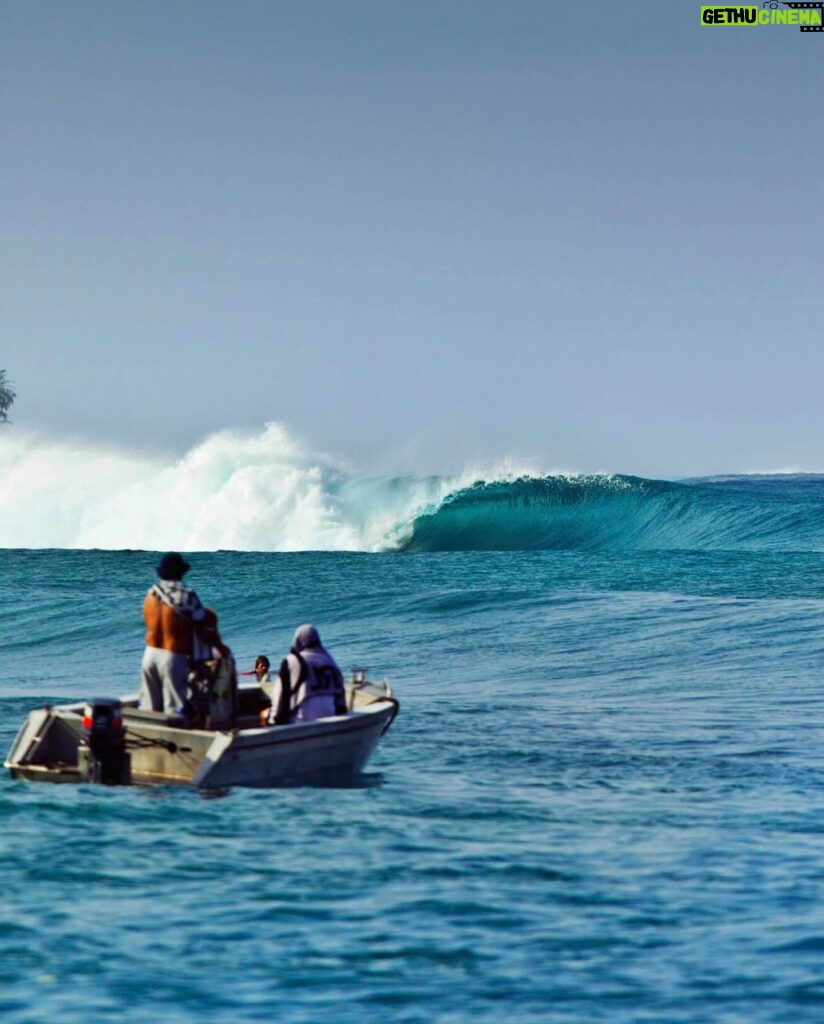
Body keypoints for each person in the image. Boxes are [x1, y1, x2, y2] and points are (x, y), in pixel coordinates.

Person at [140, 552, 228, 714]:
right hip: (172, 657)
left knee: (151, 710)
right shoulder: (185, 595)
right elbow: (203, 625)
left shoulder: (151, 594)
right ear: (180, 572)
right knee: (174, 711)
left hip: (149, 655)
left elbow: (147, 621)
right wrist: (220, 647)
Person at [264, 624, 347, 726]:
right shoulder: (330, 660)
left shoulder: (292, 661)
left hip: (301, 722)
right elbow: (341, 700)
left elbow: (279, 696)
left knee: (264, 714)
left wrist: (273, 720)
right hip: (331, 719)